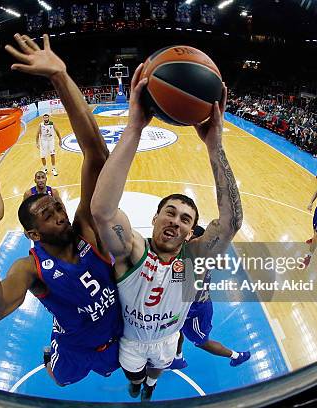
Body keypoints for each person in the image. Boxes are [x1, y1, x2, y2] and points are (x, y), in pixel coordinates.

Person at [0, 33, 122, 387]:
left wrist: (60, 77)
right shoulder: (29, 268)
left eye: (57, 207)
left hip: (118, 340)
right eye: (48, 215)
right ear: (33, 234)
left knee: (127, 372)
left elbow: (97, 154)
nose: (60, 215)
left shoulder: (85, 230)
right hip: (74, 348)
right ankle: (51, 354)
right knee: (59, 379)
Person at [91, 66, 243, 401]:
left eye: (186, 219)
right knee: (133, 375)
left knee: (156, 372)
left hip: (167, 341)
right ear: (156, 217)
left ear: (191, 232)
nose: (176, 221)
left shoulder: (192, 259)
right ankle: (137, 383)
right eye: (170, 213)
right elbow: (102, 211)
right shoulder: (131, 250)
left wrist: (215, 145)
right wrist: (134, 127)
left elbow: (230, 223)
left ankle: (150, 384)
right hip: (131, 341)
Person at [169, 226, 250, 371]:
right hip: (188, 304)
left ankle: (237, 356)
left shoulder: (193, 258)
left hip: (196, 310)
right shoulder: (199, 254)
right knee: (176, 330)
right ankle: (177, 357)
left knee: (202, 342)